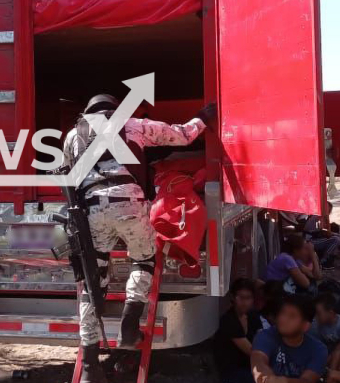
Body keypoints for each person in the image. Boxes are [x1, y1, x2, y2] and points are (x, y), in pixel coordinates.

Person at [62, 94, 215, 383]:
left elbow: (69, 180)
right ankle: (130, 327)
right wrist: (204, 118)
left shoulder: (73, 135)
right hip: (129, 204)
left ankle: (91, 365)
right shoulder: (132, 124)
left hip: (91, 212)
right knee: (143, 258)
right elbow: (182, 136)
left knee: (92, 285)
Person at [251, 295, 327, 383]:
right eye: (282, 313)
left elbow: (308, 380)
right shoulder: (265, 336)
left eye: (292, 316)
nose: (283, 319)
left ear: (305, 326)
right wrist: (266, 378)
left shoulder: (318, 349)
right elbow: (259, 363)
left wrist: (283, 381)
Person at [214, 278, 264, 383]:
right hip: (233, 371)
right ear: (233, 298)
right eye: (240, 297)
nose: (244, 302)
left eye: (248, 298)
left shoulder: (253, 315)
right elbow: (251, 351)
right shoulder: (228, 320)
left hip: (251, 366)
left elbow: (262, 339)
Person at [310, 293, 340, 381]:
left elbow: (337, 351)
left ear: (330, 313)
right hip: (326, 356)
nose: (316, 317)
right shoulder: (316, 325)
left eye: (319, 313)